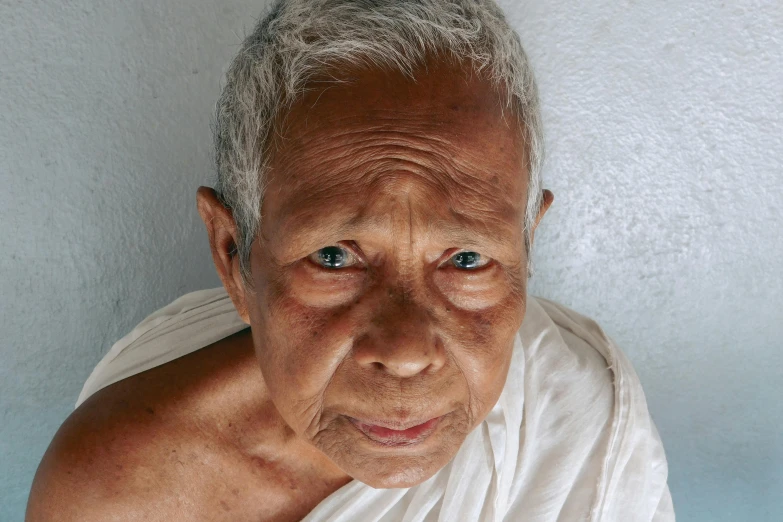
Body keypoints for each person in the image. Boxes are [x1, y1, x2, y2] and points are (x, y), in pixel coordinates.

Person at [26, 0, 674, 520]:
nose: (405, 350)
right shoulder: (120, 493)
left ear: (525, 250)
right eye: (334, 258)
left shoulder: (575, 417)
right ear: (233, 257)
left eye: (468, 260)